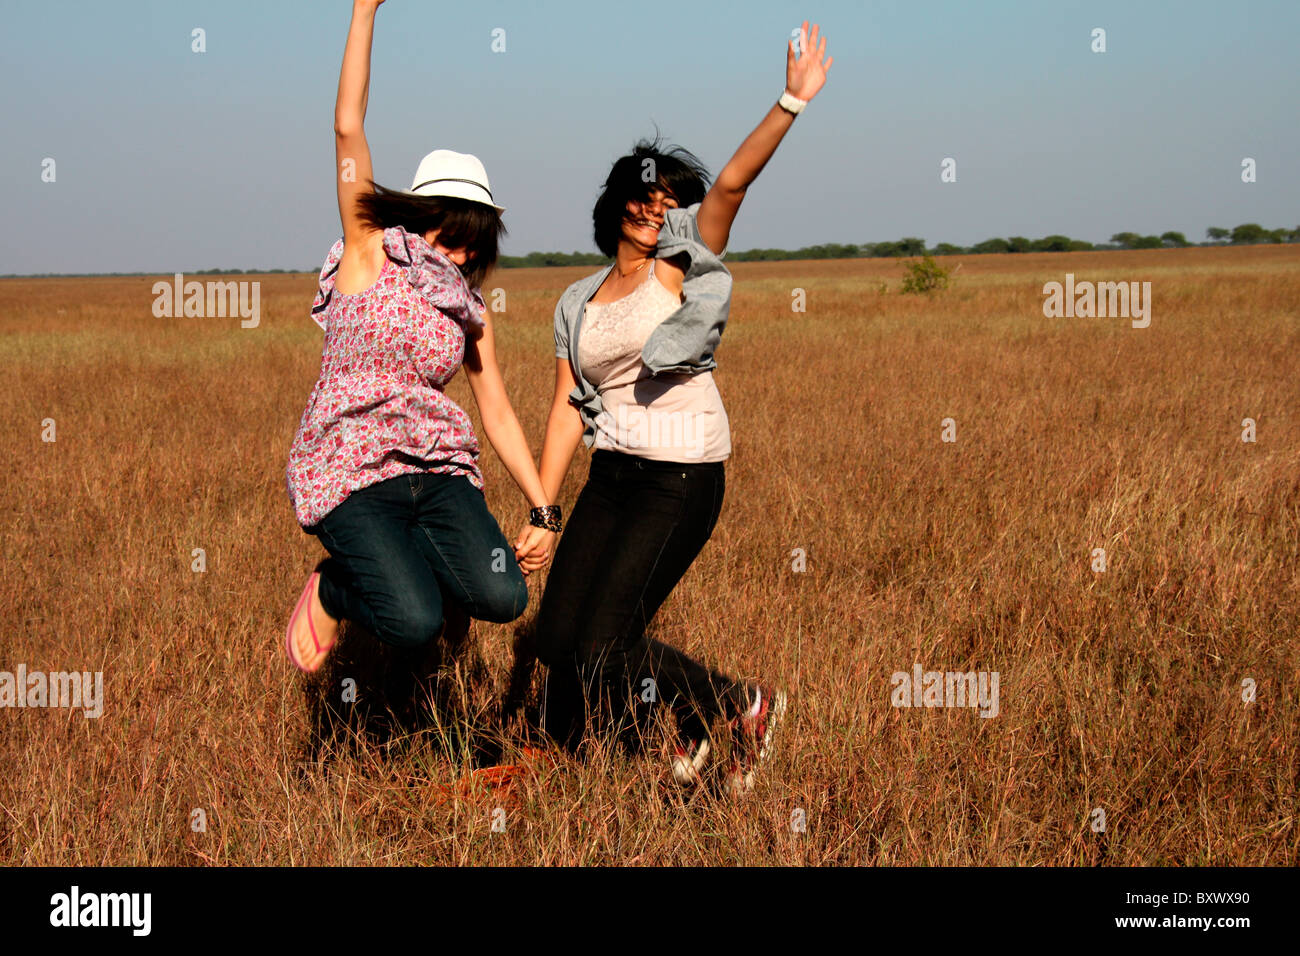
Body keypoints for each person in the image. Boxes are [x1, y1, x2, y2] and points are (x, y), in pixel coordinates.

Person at [528, 23, 833, 793]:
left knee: (606, 643)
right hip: (612, 476)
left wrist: (790, 100)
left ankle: (741, 704)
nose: (653, 207)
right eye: (641, 193)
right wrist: (542, 507)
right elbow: (569, 404)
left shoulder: (683, 258)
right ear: (614, 202)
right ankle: (673, 742)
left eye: (665, 197)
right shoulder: (577, 299)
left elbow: (729, 182)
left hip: (682, 474)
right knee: (560, 638)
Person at [284, 0, 558, 674]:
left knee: (503, 594)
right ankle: (337, 585)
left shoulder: (468, 306)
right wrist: (365, 11)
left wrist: (544, 507)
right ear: (430, 214)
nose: (465, 253)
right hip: (353, 470)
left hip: (437, 471)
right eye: (457, 232)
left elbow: (493, 406)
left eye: (478, 240)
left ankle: (425, 574)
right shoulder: (367, 249)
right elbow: (347, 127)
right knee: (410, 623)